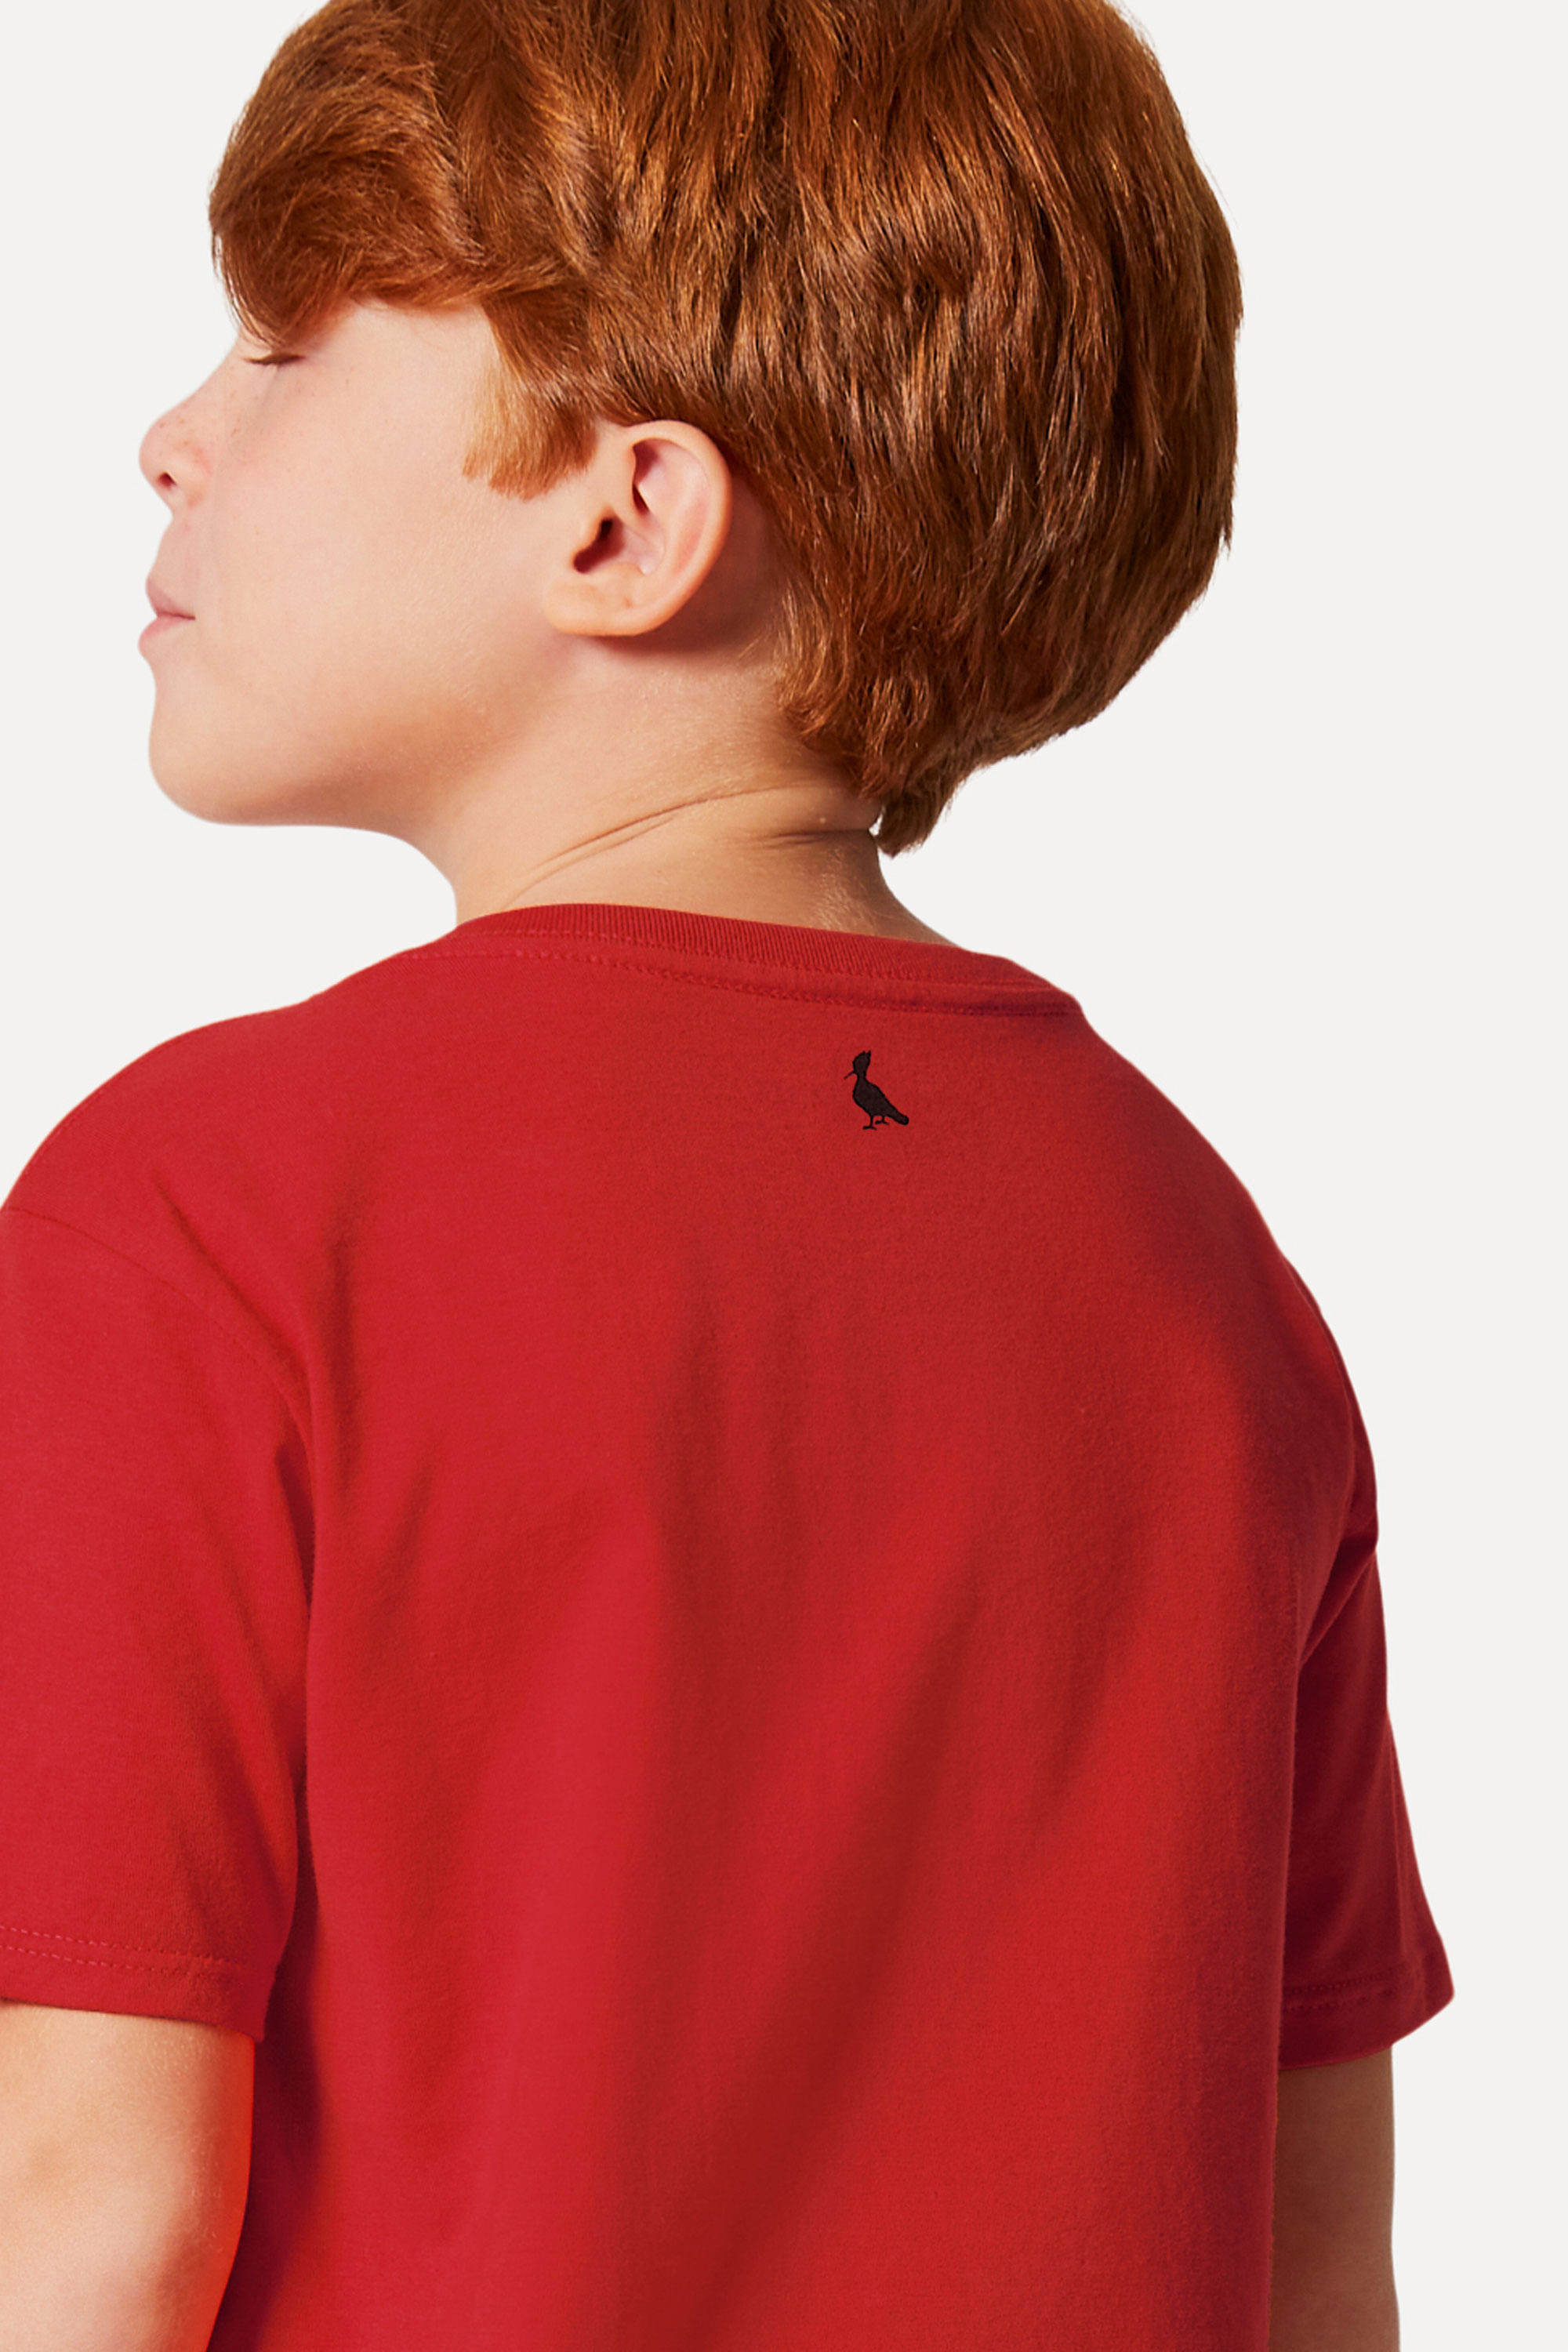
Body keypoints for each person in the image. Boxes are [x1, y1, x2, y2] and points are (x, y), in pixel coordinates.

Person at [0, 1, 1452, 2345]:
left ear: (623, 519)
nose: (169, 435)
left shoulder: (206, 1222)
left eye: (278, 345)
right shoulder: (1197, 1270)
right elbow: (1316, 2264)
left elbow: (80, 2217)